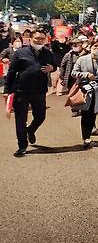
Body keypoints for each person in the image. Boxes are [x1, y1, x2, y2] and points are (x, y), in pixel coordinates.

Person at [3, 28, 56, 157]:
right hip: (21, 90)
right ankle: (22, 146)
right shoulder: (20, 53)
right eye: (37, 38)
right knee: (20, 119)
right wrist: (7, 90)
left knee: (40, 116)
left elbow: (54, 66)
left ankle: (30, 130)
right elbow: (11, 72)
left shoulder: (48, 53)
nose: (39, 41)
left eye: (42, 39)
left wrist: (52, 68)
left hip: (39, 90)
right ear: (30, 39)